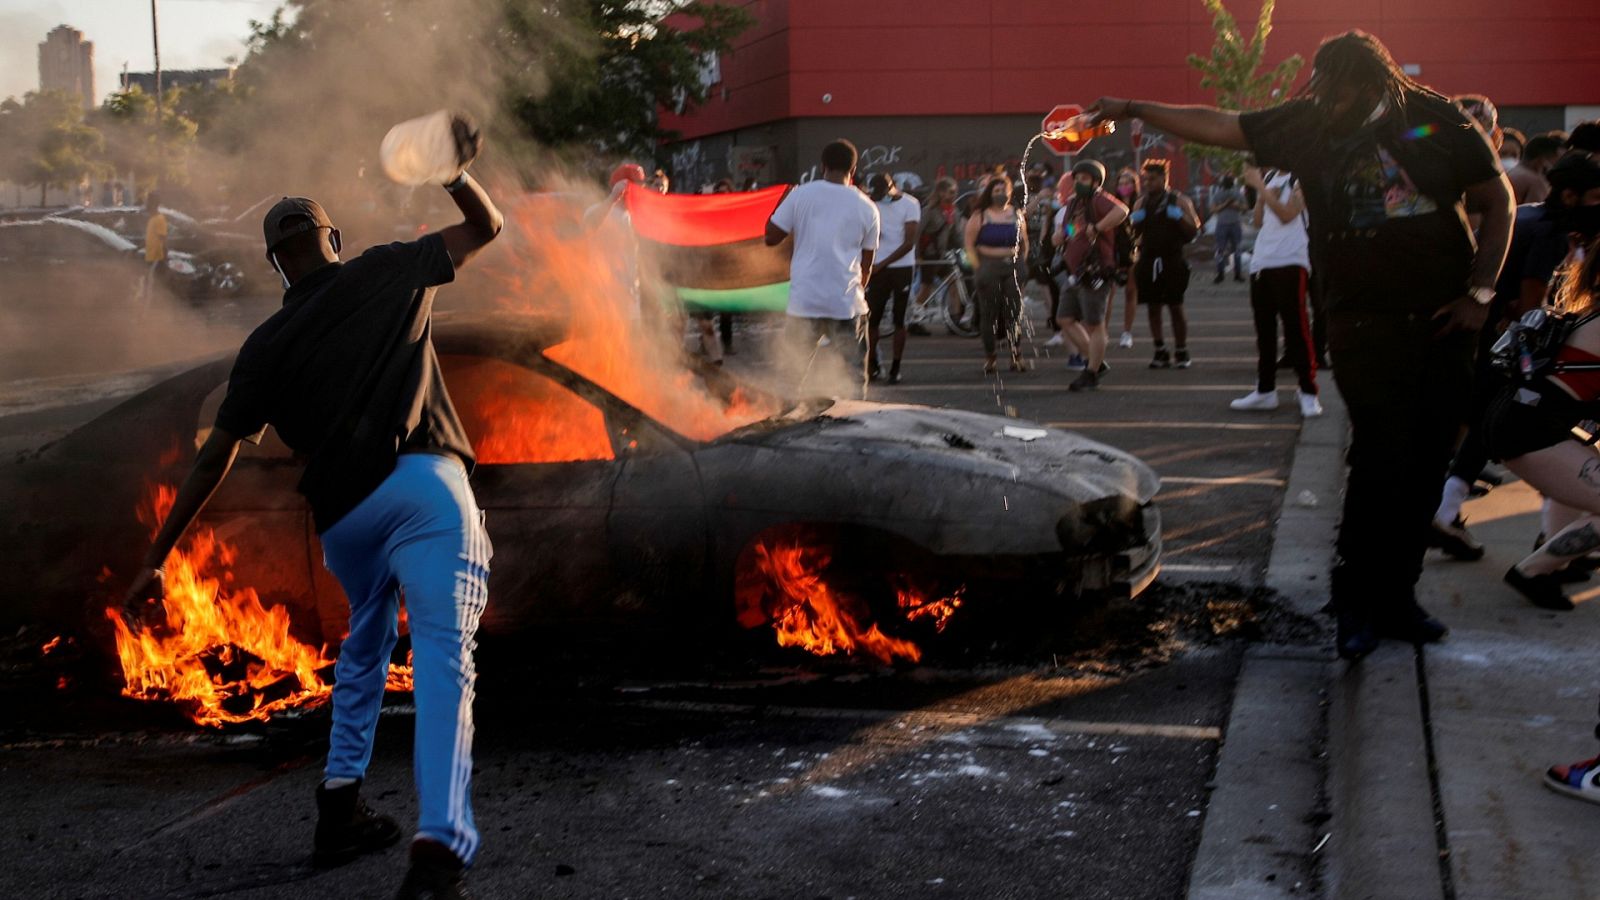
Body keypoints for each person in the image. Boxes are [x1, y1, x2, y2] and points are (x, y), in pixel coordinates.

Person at [122, 121, 503, 899]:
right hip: (423, 485)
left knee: (365, 641)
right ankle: (439, 849)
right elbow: (484, 227)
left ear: (275, 263)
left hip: (344, 520)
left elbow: (212, 457)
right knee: (440, 659)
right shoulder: (385, 270)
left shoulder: (264, 344)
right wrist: (454, 171)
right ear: (333, 239)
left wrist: (157, 560)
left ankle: (340, 804)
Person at [1089, 29, 1516, 659]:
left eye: (1343, 92)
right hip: (1360, 318)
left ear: (1373, 83)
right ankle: (1354, 605)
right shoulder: (1309, 121)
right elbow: (1221, 124)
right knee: (1378, 458)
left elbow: (1497, 201)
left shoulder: (1433, 117)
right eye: (1324, 89)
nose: (1331, 102)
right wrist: (1131, 108)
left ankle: (1399, 597)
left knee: (1427, 461)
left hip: (1444, 319)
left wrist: (1481, 295)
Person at [1437, 150, 1600, 562]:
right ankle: (1443, 508)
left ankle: (1445, 507)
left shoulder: (1533, 216)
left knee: (1484, 423)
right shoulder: (1550, 232)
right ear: (1569, 196)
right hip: (1493, 342)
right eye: (1596, 197)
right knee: (1498, 422)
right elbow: (1531, 306)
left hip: (1480, 337)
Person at [765, 139, 879, 397]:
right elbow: (868, 263)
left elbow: (770, 237)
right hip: (847, 302)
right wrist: (858, 287)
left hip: (805, 301)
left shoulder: (800, 195)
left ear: (822, 166)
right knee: (853, 378)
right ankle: (856, 426)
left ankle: (785, 427)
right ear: (854, 168)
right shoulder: (867, 206)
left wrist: (784, 205)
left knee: (791, 379)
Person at [1231, 164, 1321, 417]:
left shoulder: (1300, 179)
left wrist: (1260, 186)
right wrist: (1261, 191)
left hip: (1291, 260)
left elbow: (1287, 214)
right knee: (1264, 330)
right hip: (1262, 261)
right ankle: (1265, 390)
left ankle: (1308, 392)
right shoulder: (1270, 178)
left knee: (1296, 328)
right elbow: (1259, 220)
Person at [1051, 160, 1128, 391]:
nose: (1078, 182)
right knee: (1064, 319)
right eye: (1076, 178)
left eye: (1084, 179)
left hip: (1096, 271)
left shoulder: (1099, 199)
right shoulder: (1075, 203)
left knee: (1095, 324)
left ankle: (1091, 372)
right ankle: (1094, 362)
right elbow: (1073, 229)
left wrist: (1099, 226)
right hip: (1075, 272)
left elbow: (1122, 211)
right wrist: (1061, 235)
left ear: (1095, 181)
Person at [1128, 159, 1200, 368]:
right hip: (1148, 259)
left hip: (1172, 259)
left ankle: (1181, 349)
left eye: (1152, 179)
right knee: (1153, 307)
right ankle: (1160, 350)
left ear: (1163, 178)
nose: (1148, 183)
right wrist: (1135, 222)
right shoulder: (1141, 203)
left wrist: (1179, 218)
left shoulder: (1179, 201)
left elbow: (1194, 230)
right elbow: (1132, 235)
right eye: (1146, 179)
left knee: (1176, 306)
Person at [963, 173, 1029, 373]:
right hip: (988, 267)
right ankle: (990, 357)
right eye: (997, 191)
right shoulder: (979, 216)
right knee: (988, 314)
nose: (1001, 194)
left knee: (1014, 312)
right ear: (990, 193)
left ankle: (1016, 355)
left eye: (1004, 190)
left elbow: (1025, 242)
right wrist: (978, 268)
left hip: (1013, 266)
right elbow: (969, 245)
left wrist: (1022, 264)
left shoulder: (1016, 214)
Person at [866, 172, 921, 384]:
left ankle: (895, 367)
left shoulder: (910, 204)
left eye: (885, 193)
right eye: (878, 195)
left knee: (899, 319)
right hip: (877, 268)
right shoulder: (872, 203)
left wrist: (882, 263)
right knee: (873, 319)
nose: (882, 198)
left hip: (901, 267)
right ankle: (873, 364)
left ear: (894, 186)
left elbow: (909, 243)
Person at [912, 177, 961, 335]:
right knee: (926, 288)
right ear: (940, 193)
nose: (953, 195)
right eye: (950, 192)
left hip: (942, 255)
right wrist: (917, 255)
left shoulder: (953, 211)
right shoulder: (929, 211)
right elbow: (917, 234)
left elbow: (956, 234)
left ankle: (954, 321)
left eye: (954, 192)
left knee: (954, 284)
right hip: (929, 255)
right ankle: (915, 321)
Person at [1209, 173, 1247, 283]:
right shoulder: (1218, 194)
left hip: (1232, 224)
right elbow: (1213, 209)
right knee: (1223, 250)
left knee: (1234, 250)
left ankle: (1235, 274)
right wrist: (1226, 204)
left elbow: (1245, 207)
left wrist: (1236, 206)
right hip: (1224, 224)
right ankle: (1222, 274)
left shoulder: (1236, 193)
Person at [1510, 133, 1565, 205]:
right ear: (1542, 161)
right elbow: (1536, 214)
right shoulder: (1535, 182)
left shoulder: (1512, 173)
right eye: (1559, 160)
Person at [141, 191, 169, 308]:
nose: (146, 204)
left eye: (148, 202)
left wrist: (161, 259)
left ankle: (149, 316)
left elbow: (163, 239)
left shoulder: (159, 219)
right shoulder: (152, 219)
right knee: (148, 288)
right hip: (150, 258)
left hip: (156, 260)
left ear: (154, 204)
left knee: (151, 290)